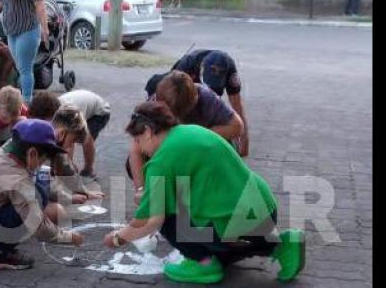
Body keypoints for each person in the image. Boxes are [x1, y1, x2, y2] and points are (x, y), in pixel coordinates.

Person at [103, 101, 305, 284]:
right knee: (213, 232)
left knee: (166, 217)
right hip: (264, 209)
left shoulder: (161, 161)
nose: (139, 147)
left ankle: (203, 263)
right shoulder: (193, 130)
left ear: (147, 131)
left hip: (236, 224)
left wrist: (118, 238)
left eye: (137, 140)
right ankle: (282, 244)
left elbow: (150, 221)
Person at [0, 119, 84, 270]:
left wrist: (69, 198)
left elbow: (41, 185)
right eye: (44, 158)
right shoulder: (16, 177)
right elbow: (38, 226)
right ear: (32, 153)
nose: (44, 163)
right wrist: (69, 237)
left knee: (39, 191)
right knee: (36, 198)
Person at [128, 71, 244, 202]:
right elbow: (136, 150)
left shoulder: (206, 98)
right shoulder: (154, 104)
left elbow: (237, 126)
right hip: (180, 153)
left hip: (204, 154)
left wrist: (197, 137)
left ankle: (196, 199)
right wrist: (141, 189)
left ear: (194, 101)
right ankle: (164, 199)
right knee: (139, 161)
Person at [146, 49, 250, 156]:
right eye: (209, 86)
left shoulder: (229, 68)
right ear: (201, 69)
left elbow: (237, 104)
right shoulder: (186, 65)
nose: (211, 91)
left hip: (202, 103)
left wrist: (244, 143)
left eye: (215, 87)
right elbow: (172, 93)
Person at [58, 89, 111, 179]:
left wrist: (66, 166)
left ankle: (88, 170)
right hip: (82, 106)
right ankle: (69, 167)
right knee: (67, 136)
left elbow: (68, 142)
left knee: (86, 139)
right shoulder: (55, 110)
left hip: (99, 112)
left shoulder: (68, 112)